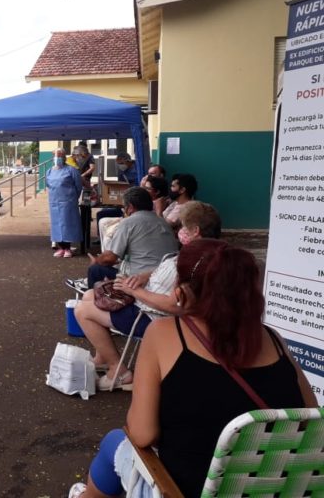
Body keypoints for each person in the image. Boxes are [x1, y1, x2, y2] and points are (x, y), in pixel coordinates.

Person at [68, 239, 316, 498]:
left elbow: (143, 435)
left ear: (181, 292)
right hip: (280, 490)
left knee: (113, 442)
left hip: (184, 491)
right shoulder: (274, 340)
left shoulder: (163, 334)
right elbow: (309, 417)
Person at [74, 201, 222, 391]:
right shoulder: (205, 254)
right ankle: (104, 356)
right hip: (147, 304)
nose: (180, 230)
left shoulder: (196, 262)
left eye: (184, 226)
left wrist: (134, 291)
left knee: (82, 310)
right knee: (89, 295)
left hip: (152, 317)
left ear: (195, 231)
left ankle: (118, 372)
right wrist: (144, 277)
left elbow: (174, 306)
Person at [84, 187, 176, 288]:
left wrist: (96, 261)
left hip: (140, 281)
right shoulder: (163, 222)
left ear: (130, 207)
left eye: (125, 207)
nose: (125, 210)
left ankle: (93, 299)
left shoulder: (128, 223)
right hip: (168, 278)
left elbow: (109, 258)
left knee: (95, 270)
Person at [46, 148, 83, 258]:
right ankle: (60, 247)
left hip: (68, 202)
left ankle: (67, 248)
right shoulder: (49, 171)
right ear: (53, 158)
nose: (58, 158)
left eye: (60, 156)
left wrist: (72, 198)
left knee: (67, 225)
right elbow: (48, 185)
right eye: (56, 156)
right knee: (56, 225)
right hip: (54, 202)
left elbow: (78, 186)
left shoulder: (71, 170)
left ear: (64, 157)